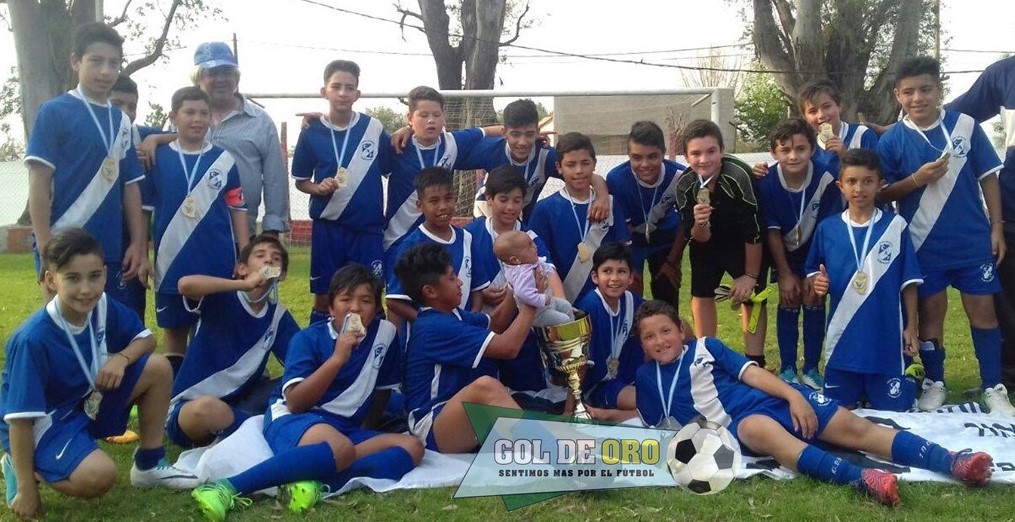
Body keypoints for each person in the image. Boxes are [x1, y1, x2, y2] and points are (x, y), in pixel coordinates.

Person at [633, 300, 994, 507]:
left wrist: (792, 395)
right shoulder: (647, 379)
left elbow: (753, 374)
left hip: (775, 397)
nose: (660, 340)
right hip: (741, 424)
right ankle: (863, 480)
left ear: (681, 330)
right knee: (756, 428)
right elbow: (650, 420)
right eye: (649, 337)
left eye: (666, 330)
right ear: (642, 345)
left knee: (857, 429)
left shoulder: (705, 347)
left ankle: (952, 462)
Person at [191, 265, 421, 521]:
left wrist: (368, 428)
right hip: (296, 417)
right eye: (345, 300)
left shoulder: (385, 334)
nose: (355, 308)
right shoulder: (308, 340)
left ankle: (314, 483)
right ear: (331, 307)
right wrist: (337, 359)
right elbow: (296, 402)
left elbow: (382, 390)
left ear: (377, 308)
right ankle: (227, 487)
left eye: (365, 301)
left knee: (411, 447)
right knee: (340, 448)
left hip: (345, 427)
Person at [0, 229, 199, 519]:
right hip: (45, 422)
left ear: (105, 274)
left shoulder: (102, 306)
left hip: (86, 399)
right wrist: (27, 491)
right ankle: (23, 467)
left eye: (94, 276)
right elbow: (20, 420)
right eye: (72, 278)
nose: (86, 289)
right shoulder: (32, 339)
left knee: (157, 366)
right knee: (100, 476)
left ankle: (149, 464)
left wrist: (121, 358)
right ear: (50, 280)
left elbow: (146, 340)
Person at [876, 56, 1015, 416]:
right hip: (923, 244)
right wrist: (916, 180)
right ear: (898, 95)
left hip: (972, 241)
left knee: (983, 312)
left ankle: (992, 386)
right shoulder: (891, 140)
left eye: (925, 89)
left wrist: (997, 227)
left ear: (939, 90)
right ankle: (934, 383)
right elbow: (882, 193)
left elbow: (988, 177)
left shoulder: (965, 125)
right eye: (908, 92)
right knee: (931, 314)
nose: (917, 97)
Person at [25, 22, 149, 304]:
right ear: (75, 61)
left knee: (107, 330)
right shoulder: (54, 112)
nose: (106, 71)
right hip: (61, 243)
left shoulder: (121, 121)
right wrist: (46, 246)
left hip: (109, 247)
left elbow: (131, 188)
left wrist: (138, 244)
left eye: (113, 63)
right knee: (63, 328)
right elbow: (39, 184)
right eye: (96, 61)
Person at [805, 149, 921, 410]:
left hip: (885, 340)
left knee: (896, 412)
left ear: (880, 185)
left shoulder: (895, 225)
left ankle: (910, 378)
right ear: (840, 186)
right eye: (852, 182)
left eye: (867, 181)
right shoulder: (828, 228)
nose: (859, 188)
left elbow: (909, 281)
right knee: (838, 413)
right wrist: (817, 283)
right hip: (842, 342)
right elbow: (813, 268)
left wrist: (911, 326)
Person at [143, 86, 249, 370]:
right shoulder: (158, 158)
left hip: (217, 263)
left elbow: (238, 209)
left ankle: (212, 398)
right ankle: (173, 402)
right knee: (175, 334)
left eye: (204, 113)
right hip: (170, 263)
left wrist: (246, 253)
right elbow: (144, 212)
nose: (197, 119)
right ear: (173, 116)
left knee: (216, 332)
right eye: (189, 112)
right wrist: (141, 253)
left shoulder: (224, 160)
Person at [398, 243, 537, 453]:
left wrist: (516, 285)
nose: (460, 282)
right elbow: (508, 347)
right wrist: (532, 301)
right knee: (486, 387)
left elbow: (496, 323)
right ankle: (559, 459)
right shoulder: (434, 326)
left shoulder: (451, 314)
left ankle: (564, 450)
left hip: (457, 414)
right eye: (452, 278)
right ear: (430, 291)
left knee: (522, 404)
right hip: (431, 427)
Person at [141, 42, 289, 237]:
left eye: (227, 72)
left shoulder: (260, 122)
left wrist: (272, 229)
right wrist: (154, 138)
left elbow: (275, 179)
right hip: (186, 233)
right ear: (198, 78)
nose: (221, 79)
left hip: (240, 232)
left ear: (236, 77)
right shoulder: (183, 120)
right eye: (212, 73)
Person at [168, 235, 300, 448]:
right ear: (242, 268)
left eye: (276, 259)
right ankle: (260, 431)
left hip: (244, 402)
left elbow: (300, 361)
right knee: (205, 410)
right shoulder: (223, 296)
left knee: (296, 389)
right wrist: (243, 284)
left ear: (281, 274)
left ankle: (243, 432)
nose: (268, 261)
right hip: (193, 405)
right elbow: (185, 285)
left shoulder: (278, 316)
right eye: (260, 256)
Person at [662, 119, 769, 367]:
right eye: (696, 153)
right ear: (686, 156)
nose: (704, 159)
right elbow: (698, 237)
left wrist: (750, 276)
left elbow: (754, 229)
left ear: (722, 150)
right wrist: (700, 223)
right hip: (707, 243)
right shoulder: (684, 185)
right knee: (701, 293)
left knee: (753, 297)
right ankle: (707, 354)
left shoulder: (738, 175)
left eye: (711, 151)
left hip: (742, 241)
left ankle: (755, 359)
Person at [291, 60, 391, 325]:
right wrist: (317, 187)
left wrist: (404, 130)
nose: (343, 93)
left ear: (357, 94)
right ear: (324, 91)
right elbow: (301, 181)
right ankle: (319, 354)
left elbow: (393, 165)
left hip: (367, 229)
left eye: (350, 88)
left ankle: (374, 357)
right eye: (336, 87)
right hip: (329, 228)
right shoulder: (312, 132)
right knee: (325, 296)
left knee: (371, 294)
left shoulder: (373, 127)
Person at [945, 55, 1015, 391]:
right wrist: (891, 130)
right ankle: (1008, 377)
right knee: (1008, 294)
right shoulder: (1004, 73)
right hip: (1012, 206)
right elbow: (949, 116)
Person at [756, 119, 842, 388]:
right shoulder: (766, 181)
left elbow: (827, 229)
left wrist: (813, 270)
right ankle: (788, 368)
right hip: (783, 256)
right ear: (774, 152)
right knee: (789, 298)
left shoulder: (826, 177)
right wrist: (784, 274)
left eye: (801, 149)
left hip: (816, 255)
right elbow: (771, 231)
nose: (793, 156)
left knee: (813, 298)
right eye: (785, 150)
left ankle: (813, 368)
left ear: (812, 150)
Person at [466, 165, 561, 396]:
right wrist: (479, 293)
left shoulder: (530, 238)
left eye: (517, 200)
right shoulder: (469, 235)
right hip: (485, 328)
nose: (510, 207)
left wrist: (561, 309)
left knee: (526, 395)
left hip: (524, 330)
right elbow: (459, 279)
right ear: (489, 199)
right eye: (503, 199)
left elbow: (550, 274)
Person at [457, 98, 611, 224]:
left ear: (538, 132)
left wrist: (603, 197)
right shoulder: (491, 149)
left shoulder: (546, 156)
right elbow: (450, 154)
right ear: (504, 133)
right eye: (515, 134)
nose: (522, 142)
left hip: (525, 218)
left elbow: (590, 177)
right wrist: (487, 131)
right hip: (489, 212)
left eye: (529, 134)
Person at [383, 86, 491, 256]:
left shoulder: (453, 142)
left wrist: (530, 136)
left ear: (444, 117)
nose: (431, 120)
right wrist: (406, 130)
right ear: (410, 118)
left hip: (436, 240)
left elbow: (489, 131)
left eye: (436, 115)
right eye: (423, 115)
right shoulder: (396, 146)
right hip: (398, 239)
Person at [529, 132, 631, 302]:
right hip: (564, 301)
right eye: (571, 164)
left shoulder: (610, 204)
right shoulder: (544, 209)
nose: (579, 171)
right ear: (559, 167)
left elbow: (624, 251)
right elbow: (539, 260)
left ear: (594, 164)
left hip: (606, 299)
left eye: (585, 163)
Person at [385, 167, 491, 326]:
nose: (443, 206)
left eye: (448, 198)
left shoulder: (467, 238)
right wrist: (431, 324)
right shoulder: (411, 245)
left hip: (464, 332)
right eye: (434, 201)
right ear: (420, 205)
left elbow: (477, 289)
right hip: (432, 339)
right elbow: (394, 301)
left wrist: (471, 318)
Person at [605, 121, 685, 302]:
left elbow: (686, 223)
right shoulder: (617, 179)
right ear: (628, 156)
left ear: (663, 153)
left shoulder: (680, 176)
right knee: (631, 294)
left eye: (653, 156)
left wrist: (672, 262)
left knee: (666, 290)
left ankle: (669, 328)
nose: (645, 164)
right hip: (633, 243)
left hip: (666, 241)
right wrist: (630, 266)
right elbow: (623, 231)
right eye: (637, 157)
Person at [109, 75, 163, 321]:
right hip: (98, 228)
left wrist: (155, 139)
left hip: (134, 234)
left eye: (132, 106)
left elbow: (182, 134)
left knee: (130, 302)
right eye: (117, 103)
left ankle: (132, 353)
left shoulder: (140, 135)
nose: (126, 112)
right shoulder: (91, 134)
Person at [576, 243, 643, 422]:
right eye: (607, 271)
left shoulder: (631, 300)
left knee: (666, 394)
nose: (614, 278)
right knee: (647, 400)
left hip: (627, 375)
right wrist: (570, 407)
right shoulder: (591, 306)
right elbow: (581, 363)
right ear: (595, 277)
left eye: (621, 271)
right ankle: (608, 415)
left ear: (631, 277)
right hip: (600, 385)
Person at [494, 230, 574, 327]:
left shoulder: (528, 261)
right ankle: (567, 338)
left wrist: (548, 271)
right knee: (564, 320)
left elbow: (544, 265)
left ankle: (573, 329)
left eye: (532, 242)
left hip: (548, 303)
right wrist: (542, 299)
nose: (535, 247)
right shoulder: (522, 274)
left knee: (566, 305)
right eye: (530, 246)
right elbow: (522, 293)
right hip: (538, 313)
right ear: (515, 260)